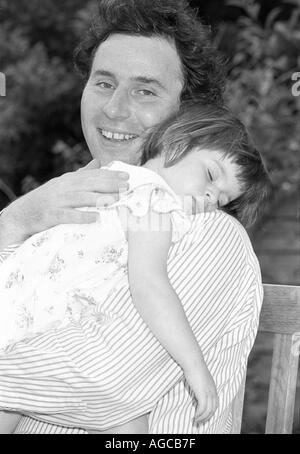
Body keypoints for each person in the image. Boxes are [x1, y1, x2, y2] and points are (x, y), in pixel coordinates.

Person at [0, 0, 270, 434]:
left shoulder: (205, 228)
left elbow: (105, 381)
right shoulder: (63, 202)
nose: (114, 108)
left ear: (188, 116)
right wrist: (14, 221)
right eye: (104, 82)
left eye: (145, 90)